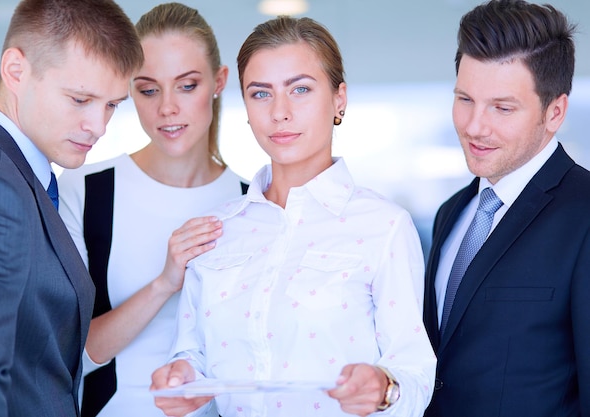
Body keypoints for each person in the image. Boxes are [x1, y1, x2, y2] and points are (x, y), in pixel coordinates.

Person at [151, 15, 436, 417]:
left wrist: (384, 388)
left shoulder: (383, 226)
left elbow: (416, 374)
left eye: (300, 89)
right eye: (261, 94)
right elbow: (193, 356)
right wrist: (181, 379)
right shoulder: (217, 230)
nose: (280, 112)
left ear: (339, 99)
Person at [58, 3, 248, 417]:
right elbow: (72, 354)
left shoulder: (254, 202)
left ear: (218, 82)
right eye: (148, 89)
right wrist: (165, 282)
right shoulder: (85, 192)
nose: (167, 108)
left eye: (187, 85)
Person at [0, 0, 143, 416]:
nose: (99, 126)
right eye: (81, 99)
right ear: (15, 71)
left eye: (112, 105)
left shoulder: (17, 175)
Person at [422, 1, 590, 416]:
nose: (475, 126)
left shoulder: (585, 214)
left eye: (502, 107)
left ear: (555, 112)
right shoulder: (451, 213)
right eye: (465, 99)